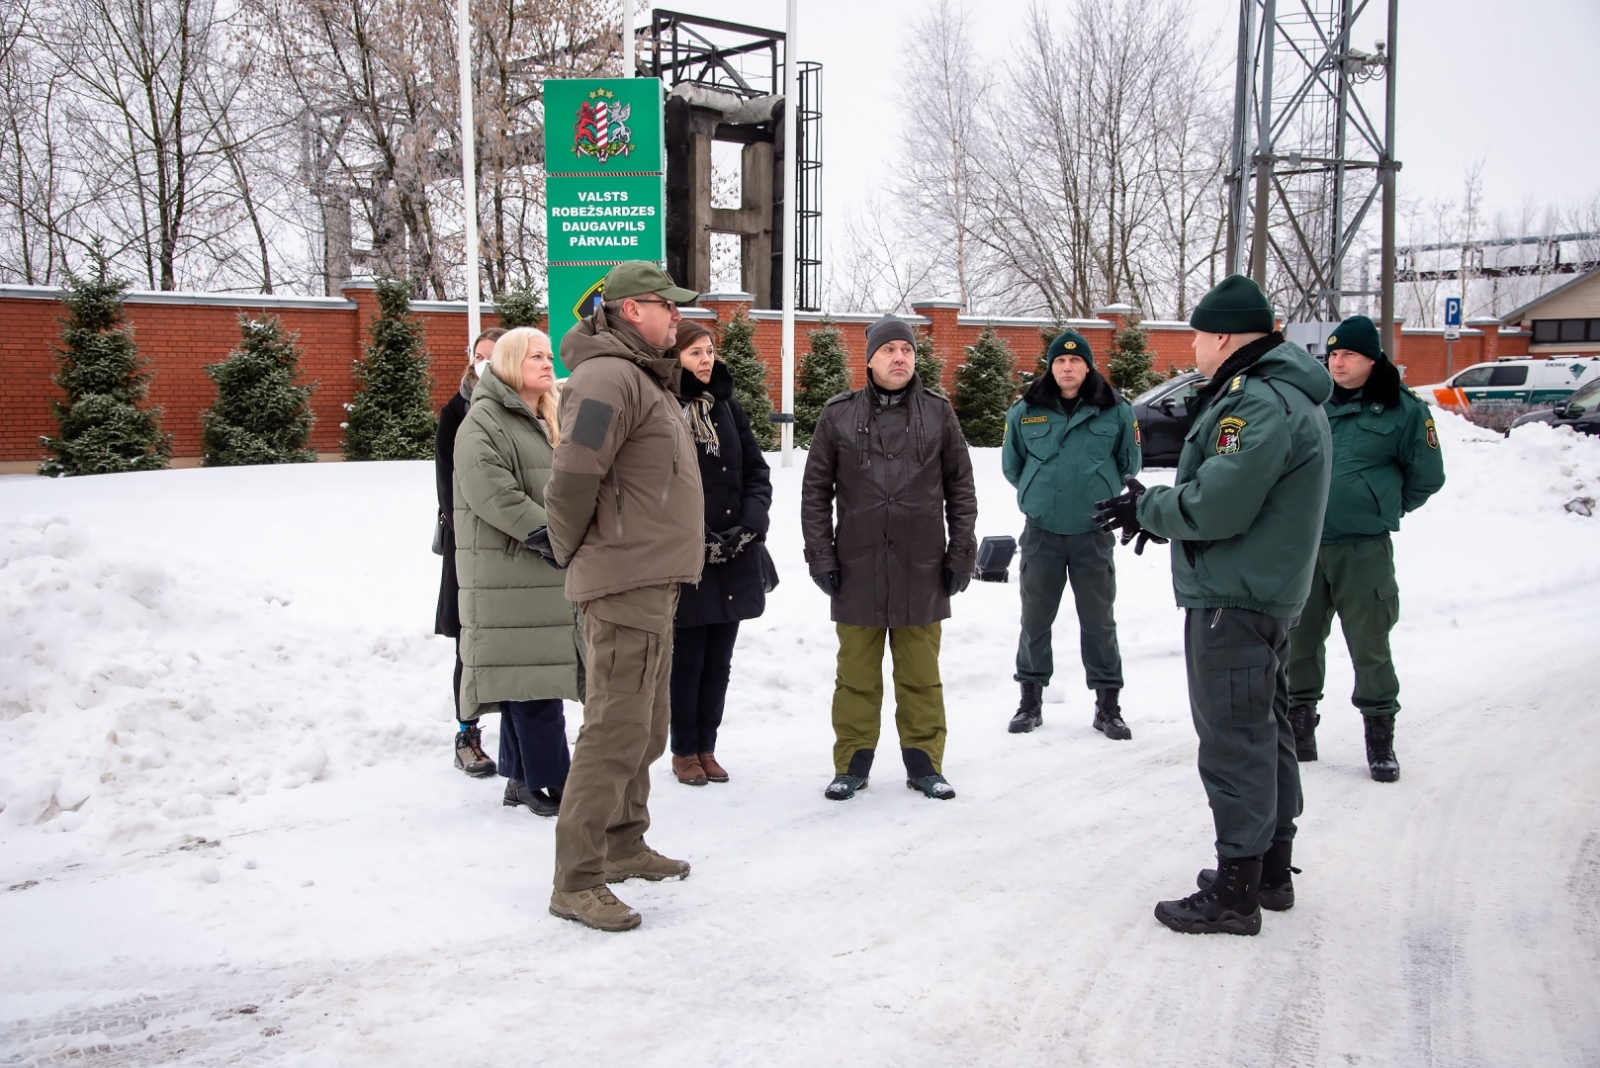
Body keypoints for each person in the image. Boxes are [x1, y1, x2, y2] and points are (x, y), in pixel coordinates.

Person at [1096, 275, 1332, 935]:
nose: (1193, 347)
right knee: (1268, 727)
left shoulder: (1254, 403)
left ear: (1223, 336)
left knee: (1235, 739)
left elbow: (1219, 502)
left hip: (1236, 590)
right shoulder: (1283, 393)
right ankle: (1270, 869)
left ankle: (1235, 893)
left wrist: (1146, 507)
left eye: (1197, 335)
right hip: (1262, 587)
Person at [536, 261, 704, 933]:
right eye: (669, 307)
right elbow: (573, 477)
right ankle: (576, 879)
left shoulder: (642, 376)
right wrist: (573, 548)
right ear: (635, 309)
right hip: (622, 580)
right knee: (614, 730)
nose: (678, 318)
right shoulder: (608, 377)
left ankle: (624, 841)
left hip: (652, 579)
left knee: (647, 723)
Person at [801, 313, 978, 803]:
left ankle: (925, 763)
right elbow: (815, 491)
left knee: (920, 675)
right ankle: (852, 764)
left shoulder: (939, 413)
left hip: (923, 567)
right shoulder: (838, 415)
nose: (899, 357)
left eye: (907, 350)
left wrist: (961, 553)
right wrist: (821, 556)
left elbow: (961, 489)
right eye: (889, 350)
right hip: (856, 566)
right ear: (870, 358)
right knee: (855, 676)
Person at [1286, 315, 1445, 782]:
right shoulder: (1312, 403)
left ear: (1372, 359)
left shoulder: (1404, 409)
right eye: (1332, 354)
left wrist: (1381, 505)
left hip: (1363, 550)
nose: (1337, 361)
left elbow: (1427, 477)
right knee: (1299, 641)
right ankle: (1300, 728)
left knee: (1370, 645)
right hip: (1306, 547)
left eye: (1348, 354)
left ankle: (1379, 740)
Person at [453, 327, 581, 817]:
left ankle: (522, 777)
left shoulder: (540, 413)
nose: (549, 365)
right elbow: (494, 494)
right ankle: (549, 781)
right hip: (513, 570)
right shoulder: (483, 421)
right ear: (508, 364)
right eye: (536, 357)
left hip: (537, 570)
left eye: (550, 356)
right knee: (535, 683)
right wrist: (554, 535)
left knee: (527, 679)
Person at [1001, 329, 1140, 739]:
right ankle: (1030, 701)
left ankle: (1108, 706)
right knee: (1035, 619)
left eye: (1075, 360)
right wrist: (1039, 497)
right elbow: (1013, 466)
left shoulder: (1115, 410)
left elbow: (1129, 461)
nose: (1067, 367)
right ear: (1051, 366)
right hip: (1042, 532)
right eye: (1060, 361)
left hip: (1093, 532)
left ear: (1087, 365)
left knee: (1099, 621)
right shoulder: (1026, 410)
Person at [667, 319, 773, 787]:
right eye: (694, 353)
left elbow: (756, 470)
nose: (706, 359)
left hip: (734, 551)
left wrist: (750, 525)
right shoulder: (665, 407)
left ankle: (707, 746)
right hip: (688, 553)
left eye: (709, 350)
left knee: (720, 660)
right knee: (687, 658)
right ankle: (684, 749)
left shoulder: (727, 405)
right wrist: (700, 535)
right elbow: (660, 485)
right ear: (675, 359)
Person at [436, 326, 505, 777]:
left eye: (494, 357)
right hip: (472, 544)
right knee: (472, 639)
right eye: (478, 356)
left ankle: (524, 739)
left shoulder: (536, 407)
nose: (484, 364)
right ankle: (467, 733)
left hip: (522, 547)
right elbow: (449, 487)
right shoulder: (457, 411)